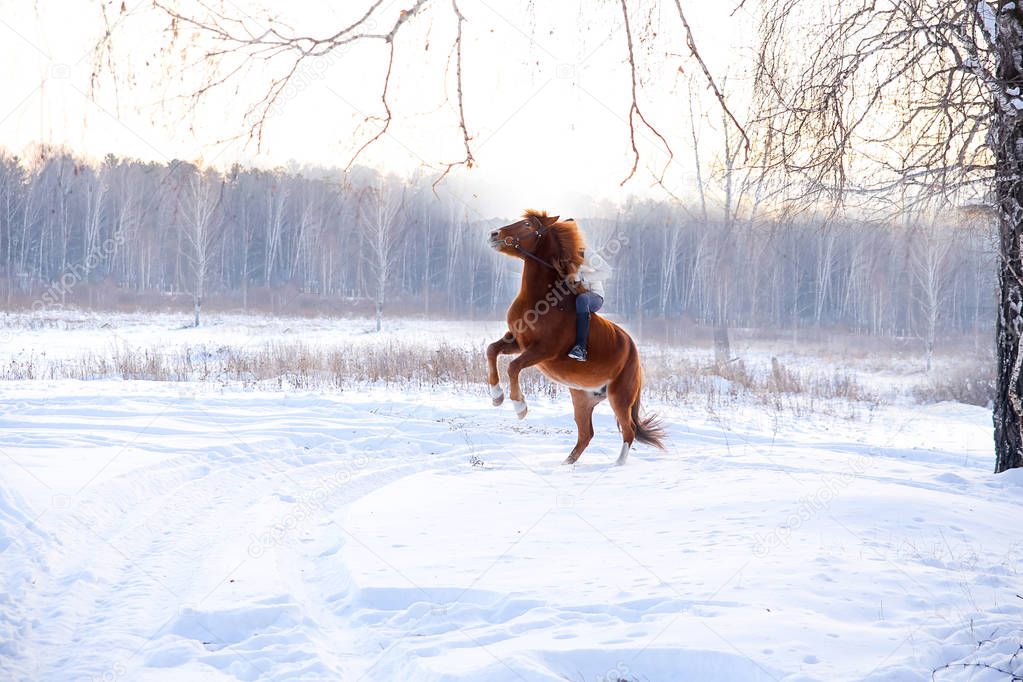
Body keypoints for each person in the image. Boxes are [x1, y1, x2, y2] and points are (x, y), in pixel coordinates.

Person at [567, 249, 612, 361]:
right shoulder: (562, 255)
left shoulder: (586, 254)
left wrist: (582, 276)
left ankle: (581, 349)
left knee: (582, 299)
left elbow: (607, 272)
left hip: (595, 296)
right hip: (577, 296)